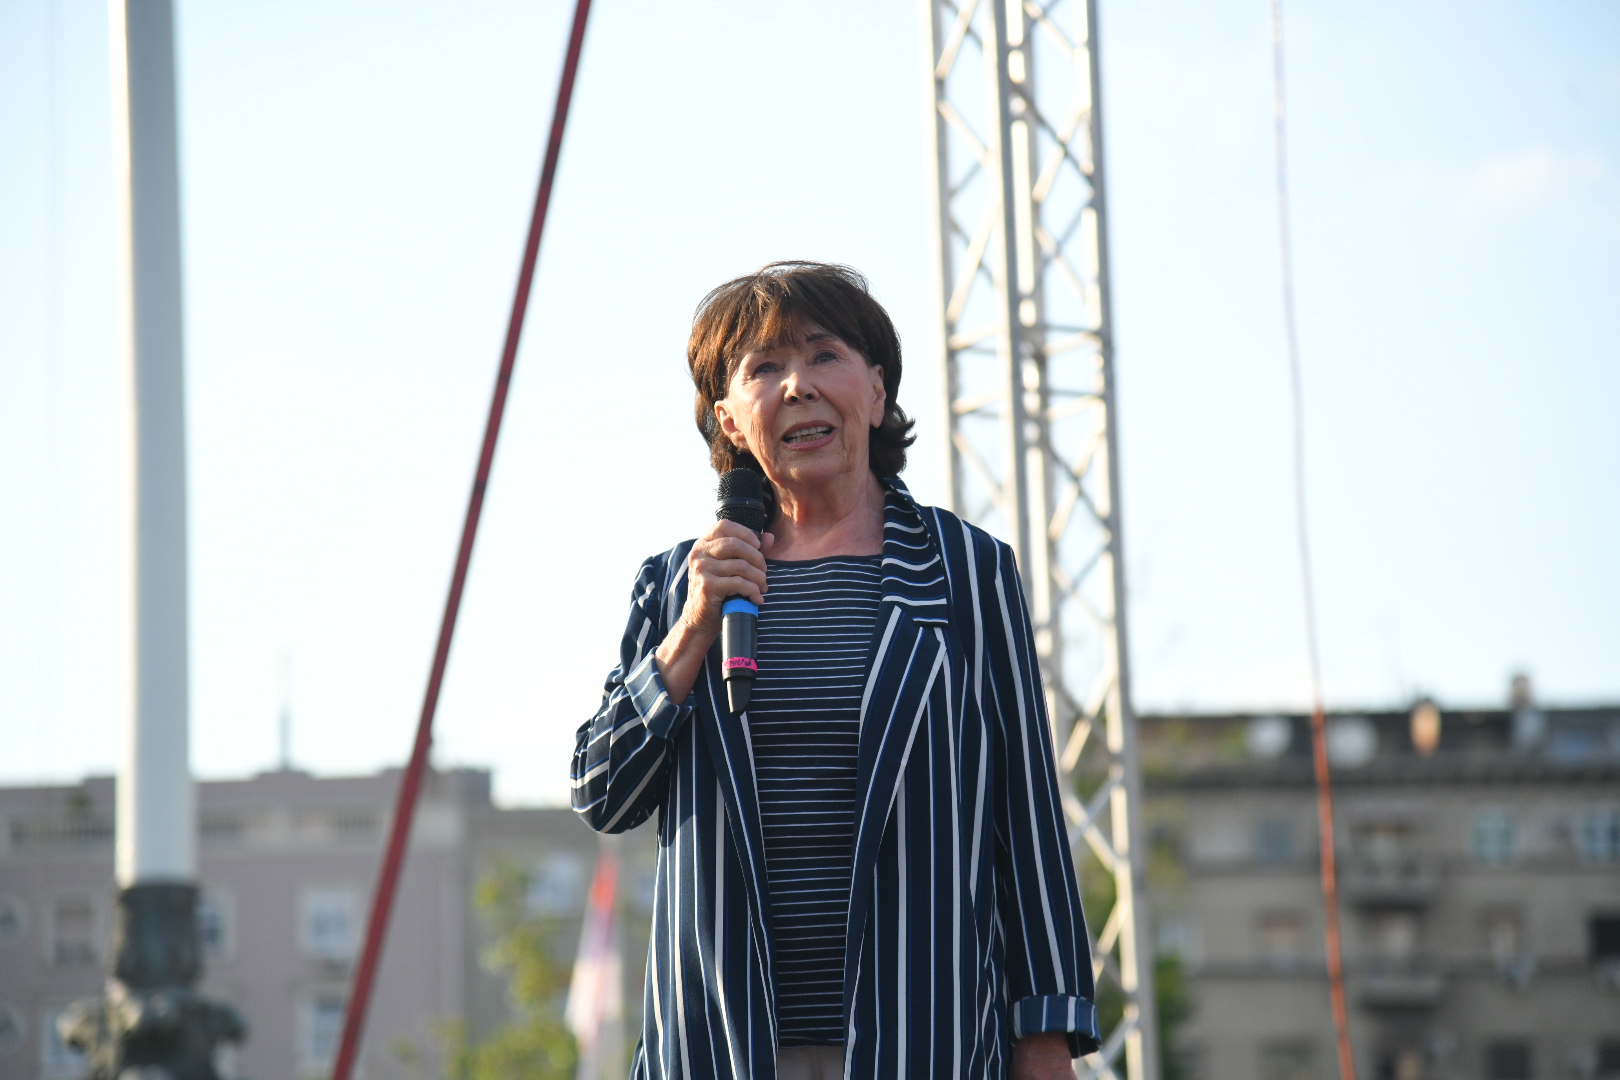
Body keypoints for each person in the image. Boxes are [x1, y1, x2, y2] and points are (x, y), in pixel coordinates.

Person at [571, 262, 1097, 1080]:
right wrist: (691, 633)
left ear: (877, 392)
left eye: (824, 356)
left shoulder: (966, 571)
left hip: (927, 1037)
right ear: (730, 421)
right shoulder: (675, 583)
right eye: (765, 368)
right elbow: (603, 792)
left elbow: (1025, 822)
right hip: (721, 1048)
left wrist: (1048, 1038)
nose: (798, 387)